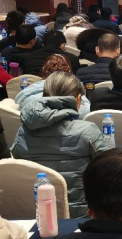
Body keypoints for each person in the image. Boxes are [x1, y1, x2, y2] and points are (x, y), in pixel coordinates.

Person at [12, 72, 109, 217]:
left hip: (38, 215)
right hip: (81, 215)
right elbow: (110, 170)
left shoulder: (23, 132)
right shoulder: (88, 131)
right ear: (77, 99)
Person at [15, 54, 92, 118]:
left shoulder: (26, 96)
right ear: (69, 73)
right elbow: (87, 112)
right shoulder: (82, 103)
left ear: (44, 70)